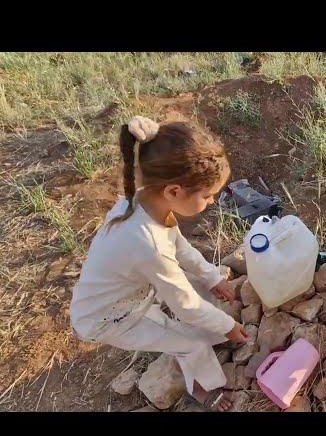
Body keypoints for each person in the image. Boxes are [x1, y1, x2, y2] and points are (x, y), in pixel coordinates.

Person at [70, 116, 248, 411]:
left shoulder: (146, 201)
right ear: (174, 191)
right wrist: (229, 325)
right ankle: (206, 390)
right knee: (189, 343)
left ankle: (214, 330)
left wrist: (212, 278)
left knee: (196, 287)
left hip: (127, 296)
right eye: (207, 196)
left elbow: (179, 246)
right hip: (109, 318)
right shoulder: (147, 243)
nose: (212, 202)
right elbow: (186, 305)